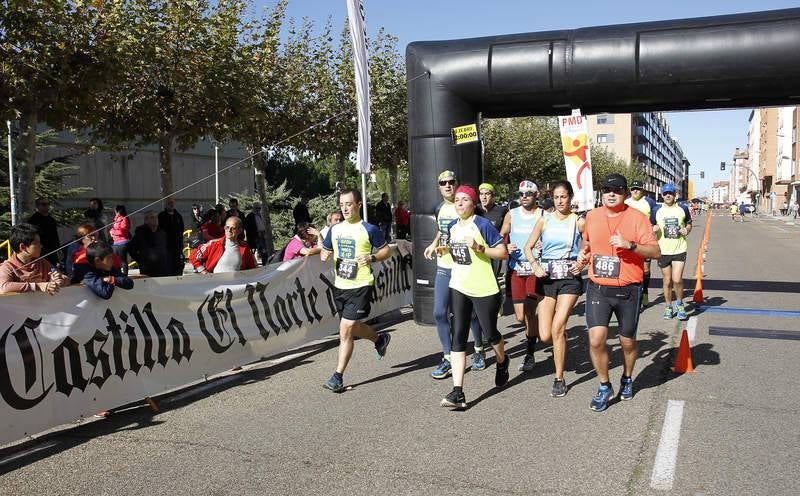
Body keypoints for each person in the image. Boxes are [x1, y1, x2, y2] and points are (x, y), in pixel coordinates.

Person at [577, 174, 660, 412]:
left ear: (624, 193)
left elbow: (655, 252)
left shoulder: (638, 218)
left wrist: (630, 245)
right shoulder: (592, 216)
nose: (611, 194)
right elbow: (587, 244)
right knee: (596, 339)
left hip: (628, 290)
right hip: (598, 288)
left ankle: (627, 377)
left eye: (617, 190)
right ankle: (604, 386)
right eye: (606, 189)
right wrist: (583, 255)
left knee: (627, 342)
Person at [436, 185, 510, 409]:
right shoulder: (452, 226)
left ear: (473, 203)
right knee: (458, 336)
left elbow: (502, 252)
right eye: (457, 199)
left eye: (464, 199)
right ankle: (458, 391)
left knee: (491, 334)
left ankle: (502, 360)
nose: (459, 203)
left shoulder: (482, 224)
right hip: (458, 286)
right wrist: (443, 250)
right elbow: (455, 252)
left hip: (484, 288)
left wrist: (480, 247)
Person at [320, 188, 392, 392]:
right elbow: (325, 252)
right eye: (342, 205)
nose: (345, 208)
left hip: (361, 284)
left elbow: (386, 250)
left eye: (349, 204)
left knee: (346, 329)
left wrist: (372, 257)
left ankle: (337, 377)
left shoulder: (369, 229)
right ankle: (380, 339)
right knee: (353, 326)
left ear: (359, 205)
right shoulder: (335, 229)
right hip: (340, 286)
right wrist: (323, 253)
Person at [524, 181, 585, 397]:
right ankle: (561, 339)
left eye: (563, 197)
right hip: (547, 279)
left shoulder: (578, 221)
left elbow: (590, 245)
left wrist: (582, 261)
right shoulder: (544, 220)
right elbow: (528, 247)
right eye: (556, 197)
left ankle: (559, 378)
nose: (560, 201)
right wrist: (535, 265)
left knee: (557, 326)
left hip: (569, 278)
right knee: (544, 335)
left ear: (570, 197)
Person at [423, 171, 486, 379]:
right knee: (439, 313)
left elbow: (475, 233)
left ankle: (478, 349)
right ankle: (448, 357)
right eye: (443, 183)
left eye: (451, 182)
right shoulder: (439, 208)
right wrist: (433, 244)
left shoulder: (466, 206)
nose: (448, 185)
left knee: (471, 313)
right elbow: (443, 230)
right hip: (444, 266)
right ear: (439, 187)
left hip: (464, 267)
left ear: (456, 184)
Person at [499, 180, 544, 371]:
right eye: (521, 194)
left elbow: (553, 236)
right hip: (517, 269)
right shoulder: (512, 214)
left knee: (529, 313)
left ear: (536, 195)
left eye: (528, 193)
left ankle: (530, 353)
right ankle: (537, 329)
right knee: (520, 317)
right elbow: (500, 237)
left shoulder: (543, 214)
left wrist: (544, 243)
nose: (524, 197)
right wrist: (505, 245)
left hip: (535, 268)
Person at [652, 184, 693, 320]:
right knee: (667, 280)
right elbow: (650, 225)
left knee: (677, 279)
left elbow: (689, 223)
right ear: (662, 195)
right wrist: (654, 228)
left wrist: (686, 230)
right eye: (665, 193)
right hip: (663, 250)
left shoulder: (683, 208)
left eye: (670, 193)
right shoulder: (656, 210)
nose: (668, 195)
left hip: (679, 249)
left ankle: (680, 305)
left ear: (675, 195)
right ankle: (668, 306)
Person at [0, 223, 67, 295]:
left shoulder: (42, 262)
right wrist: (37, 286)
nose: (41, 246)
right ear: (23, 247)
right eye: (36, 243)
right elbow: (4, 288)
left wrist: (58, 280)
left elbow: (65, 279)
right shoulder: (7, 267)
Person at [624, 180, 658, 308]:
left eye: (637, 188)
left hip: (644, 241)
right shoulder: (626, 202)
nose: (635, 191)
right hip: (629, 241)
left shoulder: (649, 202)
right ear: (630, 190)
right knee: (630, 268)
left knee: (646, 270)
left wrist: (656, 226)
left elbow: (657, 217)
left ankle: (645, 292)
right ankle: (633, 295)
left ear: (642, 190)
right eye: (633, 189)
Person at [191, 216, 256, 274]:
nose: (229, 230)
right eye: (227, 227)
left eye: (233, 228)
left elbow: (251, 267)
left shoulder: (244, 247)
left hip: (236, 283)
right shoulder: (213, 244)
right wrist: (203, 270)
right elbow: (193, 256)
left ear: (240, 230)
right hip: (216, 282)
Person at [128, 211, 171, 277]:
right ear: (146, 220)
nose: (155, 219)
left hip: (162, 268)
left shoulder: (162, 233)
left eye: (156, 217)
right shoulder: (140, 233)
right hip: (147, 269)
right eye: (152, 217)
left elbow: (167, 248)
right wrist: (140, 260)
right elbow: (131, 249)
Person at [27, 198, 61, 265]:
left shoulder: (51, 220)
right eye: (43, 204)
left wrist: (58, 247)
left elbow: (55, 235)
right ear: (37, 206)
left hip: (52, 249)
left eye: (48, 204)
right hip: (40, 250)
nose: (46, 206)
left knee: (53, 267)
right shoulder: (33, 220)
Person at [158, 198, 185, 276]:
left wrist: (181, 245)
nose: (171, 205)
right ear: (166, 205)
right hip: (166, 246)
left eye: (172, 203)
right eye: (169, 203)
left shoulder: (178, 216)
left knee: (177, 266)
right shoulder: (161, 216)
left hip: (177, 246)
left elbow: (181, 230)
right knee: (168, 266)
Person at [110, 205, 131, 276]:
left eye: (115, 210)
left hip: (123, 242)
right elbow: (114, 228)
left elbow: (123, 231)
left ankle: (125, 276)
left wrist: (113, 232)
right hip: (115, 242)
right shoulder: (116, 219)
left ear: (118, 211)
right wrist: (112, 231)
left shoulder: (124, 219)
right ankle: (118, 274)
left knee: (123, 260)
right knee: (115, 260)